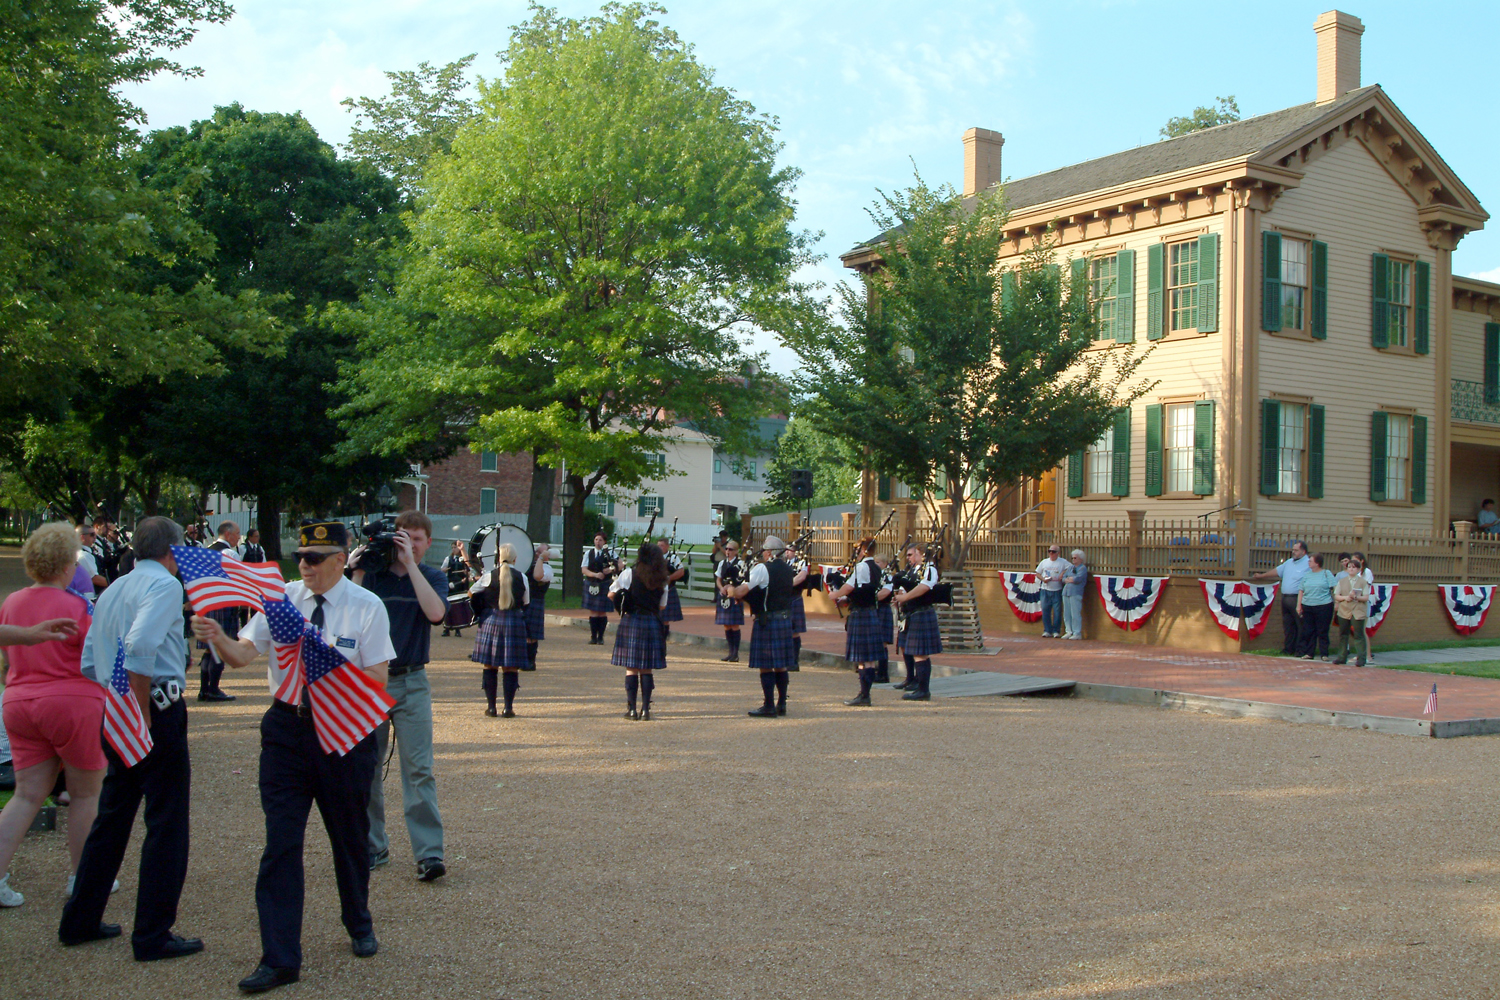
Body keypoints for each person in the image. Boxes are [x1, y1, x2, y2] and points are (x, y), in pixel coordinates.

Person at [193, 520, 393, 993]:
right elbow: (243, 654)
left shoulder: (367, 607)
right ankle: (280, 958)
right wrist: (215, 638)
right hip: (287, 731)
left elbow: (378, 679)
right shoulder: (279, 599)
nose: (304, 565)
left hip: (343, 734)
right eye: (301, 556)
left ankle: (358, 920)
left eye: (315, 558)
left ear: (341, 560)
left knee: (349, 836)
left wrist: (319, 657)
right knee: (281, 842)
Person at [59, 516, 205, 962]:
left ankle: (80, 918)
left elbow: (90, 661)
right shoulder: (165, 587)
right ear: (172, 551)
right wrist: (141, 712)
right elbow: (141, 648)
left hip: (116, 707)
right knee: (166, 822)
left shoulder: (115, 588)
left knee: (113, 816)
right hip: (153, 710)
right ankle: (152, 933)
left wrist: (120, 700)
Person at [0, 524, 104, 909]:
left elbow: (8, 656)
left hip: (19, 700)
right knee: (85, 794)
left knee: (27, 795)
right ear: (66, 564)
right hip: (72, 701)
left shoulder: (11, 603)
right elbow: (96, 660)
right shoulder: (78, 606)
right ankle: (83, 878)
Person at [351, 511, 448, 882]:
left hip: (411, 682)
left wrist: (411, 565)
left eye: (417, 540)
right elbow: (349, 612)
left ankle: (429, 854)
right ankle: (373, 846)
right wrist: (357, 570)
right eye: (402, 538)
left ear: (427, 543)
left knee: (419, 769)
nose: (408, 544)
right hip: (370, 682)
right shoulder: (372, 577)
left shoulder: (433, 576)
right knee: (367, 769)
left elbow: (437, 614)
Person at [732, 536, 798, 717]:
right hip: (784, 619)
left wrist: (732, 589)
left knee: (766, 665)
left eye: (763, 550)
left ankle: (769, 705)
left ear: (768, 552)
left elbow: (743, 590)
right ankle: (782, 703)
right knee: (781, 665)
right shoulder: (787, 569)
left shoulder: (762, 568)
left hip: (767, 620)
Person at [610, 543, 668, 720]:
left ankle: (632, 709)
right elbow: (662, 605)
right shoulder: (662, 579)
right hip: (651, 621)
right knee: (646, 668)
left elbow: (612, 594)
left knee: (631, 668)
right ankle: (646, 710)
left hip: (632, 619)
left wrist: (623, 604)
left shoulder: (629, 573)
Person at [470, 543, 529, 718]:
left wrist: (482, 609)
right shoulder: (522, 577)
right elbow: (526, 602)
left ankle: (491, 708)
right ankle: (508, 708)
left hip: (491, 621)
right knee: (510, 667)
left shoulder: (488, 576)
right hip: (514, 621)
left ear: (498, 558)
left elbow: (471, 593)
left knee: (490, 664)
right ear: (515, 559)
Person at [833, 541, 885, 706]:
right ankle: (865, 694)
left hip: (861, 613)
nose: (856, 552)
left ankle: (864, 695)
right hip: (869, 612)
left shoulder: (862, 567)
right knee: (868, 659)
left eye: (857, 549)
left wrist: (836, 594)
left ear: (863, 550)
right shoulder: (876, 567)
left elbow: (858, 590)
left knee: (864, 659)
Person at [196, 520, 244, 703]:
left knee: (210, 648)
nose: (239, 537)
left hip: (207, 602)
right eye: (238, 533)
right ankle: (213, 689)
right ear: (229, 534)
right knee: (219, 647)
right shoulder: (229, 553)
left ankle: (204, 690)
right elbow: (238, 577)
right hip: (223, 602)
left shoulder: (206, 549)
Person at [893, 543, 943, 701]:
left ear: (921, 554)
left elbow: (924, 587)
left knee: (920, 653)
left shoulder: (929, 569)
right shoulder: (914, 570)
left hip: (922, 613)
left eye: (910, 555)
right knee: (911, 649)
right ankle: (913, 681)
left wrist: (904, 597)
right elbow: (906, 586)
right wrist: (900, 597)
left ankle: (923, 690)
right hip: (911, 613)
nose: (908, 558)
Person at [1252, 540, 1310, 656]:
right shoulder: (1289, 562)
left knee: (1300, 625)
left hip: (1297, 598)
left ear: (1303, 552)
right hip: (1285, 598)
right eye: (1293, 550)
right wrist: (1262, 576)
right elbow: (1278, 571)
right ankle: (1289, 648)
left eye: (1296, 550)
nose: (1293, 552)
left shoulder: (1308, 564)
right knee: (1288, 625)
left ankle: (1300, 650)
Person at [1295, 554, 1338, 661]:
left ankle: (1324, 653)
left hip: (1324, 605)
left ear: (1317, 563)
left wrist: (1337, 602)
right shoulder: (1307, 575)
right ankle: (1309, 652)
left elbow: (1335, 588)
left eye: (1310, 561)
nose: (1308, 562)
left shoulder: (1326, 573)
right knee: (1308, 630)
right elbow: (1301, 590)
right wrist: (1298, 605)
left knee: (1322, 630)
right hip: (1308, 605)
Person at [1332, 555, 1371, 666]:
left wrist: (1356, 597)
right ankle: (1341, 657)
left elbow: (1366, 597)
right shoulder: (1342, 581)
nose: (1351, 569)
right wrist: (1345, 598)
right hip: (1344, 610)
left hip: (1358, 610)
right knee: (1343, 634)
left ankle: (1361, 658)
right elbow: (1337, 596)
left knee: (1358, 634)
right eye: (1349, 567)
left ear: (1358, 569)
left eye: (1354, 567)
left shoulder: (1363, 582)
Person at [580, 532, 618, 645]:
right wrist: (595, 575)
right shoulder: (589, 553)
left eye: (600, 540)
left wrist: (610, 569)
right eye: (596, 539)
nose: (598, 542)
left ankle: (601, 637)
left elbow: (620, 564)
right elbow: (584, 569)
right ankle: (593, 637)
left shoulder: (610, 553)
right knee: (593, 612)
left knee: (602, 612)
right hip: (592, 583)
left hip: (605, 583)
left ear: (605, 542)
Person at [714, 540, 746, 662]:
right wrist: (722, 588)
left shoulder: (740, 564)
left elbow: (744, 581)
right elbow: (718, 579)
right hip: (724, 595)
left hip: (735, 595)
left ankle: (735, 653)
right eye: (726, 549)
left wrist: (735, 590)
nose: (728, 551)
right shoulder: (722, 563)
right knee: (726, 625)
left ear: (736, 551)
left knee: (734, 624)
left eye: (731, 549)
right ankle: (730, 652)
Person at [525, 543, 554, 669]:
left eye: (541, 553)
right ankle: (521, 660)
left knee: (532, 635)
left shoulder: (547, 569)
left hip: (535, 601)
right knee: (523, 633)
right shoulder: (526, 566)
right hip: (524, 601)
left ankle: (531, 661)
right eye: (537, 552)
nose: (537, 554)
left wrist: (541, 560)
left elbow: (537, 576)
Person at [1035, 544, 1068, 638]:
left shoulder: (1062, 562)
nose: (1051, 553)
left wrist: (1063, 573)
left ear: (1058, 553)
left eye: (1053, 551)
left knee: (1057, 611)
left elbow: (1071, 568)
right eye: (1049, 551)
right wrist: (1043, 579)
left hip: (1057, 590)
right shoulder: (1044, 562)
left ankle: (1056, 631)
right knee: (1045, 610)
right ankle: (1047, 630)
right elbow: (1037, 573)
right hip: (1045, 589)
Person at [874, 556, 898, 686]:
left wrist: (869, 598)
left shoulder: (888, 577)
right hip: (874, 608)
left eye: (878, 562)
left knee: (882, 643)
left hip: (882, 608)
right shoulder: (874, 575)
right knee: (874, 641)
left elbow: (884, 593)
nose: (876, 565)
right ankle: (876, 671)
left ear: (885, 563)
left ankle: (883, 674)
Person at [658, 538, 685, 640]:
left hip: (669, 590)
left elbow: (681, 571)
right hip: (655, 591)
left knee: (665, 618)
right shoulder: (654, 557)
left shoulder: (673, 557)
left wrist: (670, 578)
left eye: (662, 545)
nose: (660, 548)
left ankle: (663, 638)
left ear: (667, 546)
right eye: (658, 545)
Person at [1062, 549, 1090, 640]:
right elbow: (1063, 578)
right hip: (1066, 592)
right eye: (1072, 558)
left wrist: (1069, 579)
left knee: (1075, 613)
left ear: (1081, 559)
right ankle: (1068, 631)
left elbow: (1077, 579)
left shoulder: (1082, 568)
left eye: (1075, 558)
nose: (1073, 560)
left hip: (1075, 593)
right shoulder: (1070, 567)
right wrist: (1069, 579)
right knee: (1067, 613)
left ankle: (1077, 632)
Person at [75, 523, 107, 599]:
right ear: (82, 537)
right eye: (92, 535)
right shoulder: (83, 555)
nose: (95, 537)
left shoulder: (83, 552)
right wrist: (114, 584)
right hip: (92, 596)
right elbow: (95, 578)